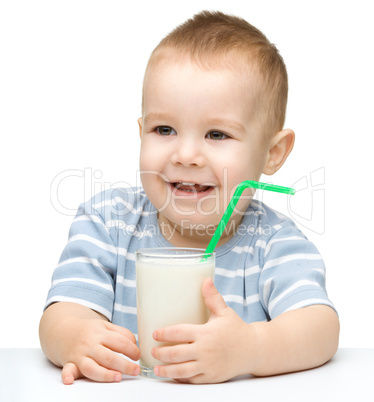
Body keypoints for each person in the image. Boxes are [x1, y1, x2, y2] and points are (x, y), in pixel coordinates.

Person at [39, 10, 339, 385]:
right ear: (141, 131)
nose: (185, 155)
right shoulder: (107, 222)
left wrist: (252, 348)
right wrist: (74, 337)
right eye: (164, 129)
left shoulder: (272, 242)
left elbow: (321, 329)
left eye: (216, 134)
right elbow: (61, 312)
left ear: (272, 153)